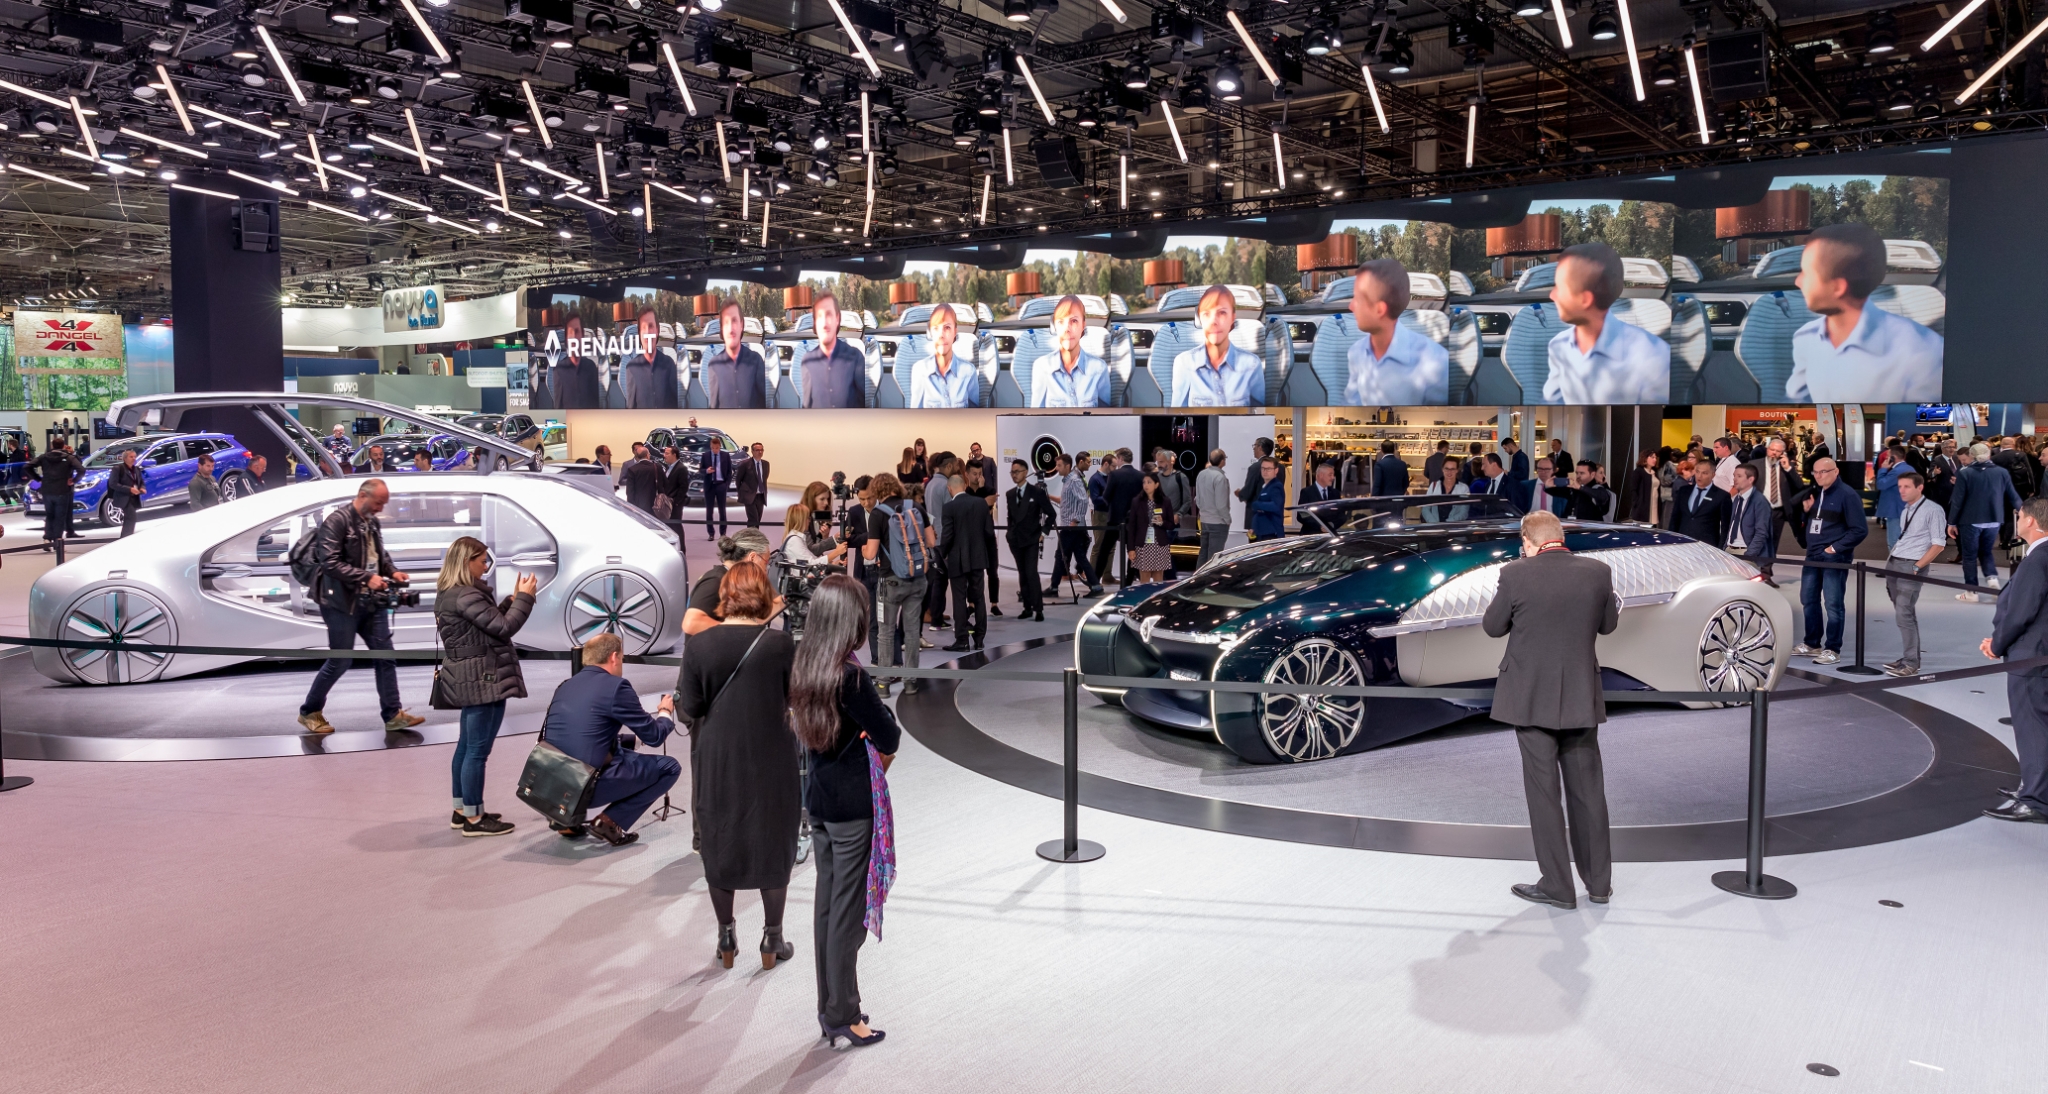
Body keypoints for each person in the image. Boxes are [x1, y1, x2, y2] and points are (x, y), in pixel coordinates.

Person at [1482, 509, 1618, 910]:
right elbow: (1608, 626)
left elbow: (1493, 626)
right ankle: (1599, 884)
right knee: (1588, 792)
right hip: (1580, 695)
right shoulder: (1598, 572)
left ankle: (1558, 886)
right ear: (1560, 536)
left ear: (1528, 541)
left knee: (1544, 794)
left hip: (1530, 698)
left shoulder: (1515, 573)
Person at [788, 575, 898, 1048]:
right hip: (853, 805)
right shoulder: (850, 677)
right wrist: (869, 733)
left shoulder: (804, 665)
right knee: (847, 914)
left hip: (818, 799)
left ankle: (828, 1006)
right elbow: (890, 735)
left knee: (827, 907)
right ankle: (843, 1013)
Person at [676, 562, 801, 964]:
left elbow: (691, 706)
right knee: (774, 836)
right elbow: (795, 698)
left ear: (725, 595)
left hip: (718, 756)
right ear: (763, 595)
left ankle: (726, 938)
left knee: (720, 834)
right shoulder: (781, 644)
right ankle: (772, 939)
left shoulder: (700, 645)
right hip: (772, 752)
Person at [298, 479, 424, 734]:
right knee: (340, 661)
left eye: (384, 503)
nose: (381, 508)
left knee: (385, 656)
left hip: (371, 601)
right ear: (363, 496)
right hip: (340, 603)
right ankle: (309, 711)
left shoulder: (372, 522)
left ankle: (393, 715)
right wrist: (367, 578)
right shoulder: (337, 521)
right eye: (378, 502)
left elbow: (379, 555)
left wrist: (392, 571)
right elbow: (330, 563)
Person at [434, 536, 537, 836]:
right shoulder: (468, 595)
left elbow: (486, 624)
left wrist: (512, 600)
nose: (485, 567)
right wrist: (525, 599)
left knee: (466, 747)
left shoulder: (451, 593)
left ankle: (462, 810)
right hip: (483, 678)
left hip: (468, 676)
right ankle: (475, 819)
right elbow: (504, 628)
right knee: (477, 751)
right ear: (467, 562)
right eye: (482, 561)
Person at [539, 632, 679, 848]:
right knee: (669, 767)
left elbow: (584, 735)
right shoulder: (616, 687)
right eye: (622, 657)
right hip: (584, 786)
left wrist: (633, 741)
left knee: (623, 755)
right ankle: (609, 823)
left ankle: (567, 821)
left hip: (549, 785)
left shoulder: (566, 685)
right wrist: (665, 713)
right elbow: (655, 736)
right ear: (614, 657)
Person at [1787, 222, 1943, 402]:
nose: (1798, 281)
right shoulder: (1805, 338)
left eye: (1805, 273)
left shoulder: (1924, 353)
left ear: (1838, 287)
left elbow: (1928, 418)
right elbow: (1795, 404)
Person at [1981, 496, 2048, 822]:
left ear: (2031, 521)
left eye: (2019, 516)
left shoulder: (2037, 560)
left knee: (2032, 729)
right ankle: (2034, 788)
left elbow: (2021, 612)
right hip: (2039, 654)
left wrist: (1997, 644)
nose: (2017, 520)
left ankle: (2036, 801)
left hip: (2032, 657)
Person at [1543, 241, 1671, 404]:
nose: (1552, 295)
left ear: (1585, 299)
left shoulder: (1654, 358)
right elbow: (1552, 401)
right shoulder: (1557, 346)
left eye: (1559, 288)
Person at [1792, 458, 1868, 665]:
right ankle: (1812, 643)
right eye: (1815, 472)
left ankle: (1833, 649)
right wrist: (1806, 512)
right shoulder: (1816, 493)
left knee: (1833, 604)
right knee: (1808, 599)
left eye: (1823, 472)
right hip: (1812, 555)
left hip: (1834, 557)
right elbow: (1809, 523)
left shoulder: (1847, 495)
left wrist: (1834, 548)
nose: (1819, 476)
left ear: (1836, 471)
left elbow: (1859, 530)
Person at [1342, 258, 1449, 405]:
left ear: (1379, 310)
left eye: (1357, 299)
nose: (1351, 306)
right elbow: (1352, 404)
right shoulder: (1356, 353)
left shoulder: (1436, 361)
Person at [864, 473, 934, 697]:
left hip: (890, 581)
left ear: (877, 491)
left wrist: (863, 548)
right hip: (917, 578)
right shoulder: (916, 507)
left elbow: (871, 553)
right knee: (912, 633)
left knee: (885, 633)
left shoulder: (878, 514)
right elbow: (932, 541)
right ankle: (910, 682)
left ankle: (883, 684)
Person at [1882, 472, 1948, 677]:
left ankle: (1911, 662)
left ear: (1920, 487)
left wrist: (1918, 566)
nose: (1901, 490)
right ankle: (1909, 658)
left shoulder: (1933, 510)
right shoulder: (1906, 509)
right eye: (1900, 486)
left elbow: (1939, 544)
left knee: (1904, 613)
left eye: (1906, 487)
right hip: (1895, 562)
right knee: (1904, 612)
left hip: (1911, 565)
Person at [1949, 443, 2024, 603]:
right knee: (1986, 552)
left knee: (1969, 556)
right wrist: (2024, 513)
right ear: (1989, 455)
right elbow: (2013, 496)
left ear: (1971, 456)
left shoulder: (1965, 473)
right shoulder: (2001, 472)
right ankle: (1992, 581)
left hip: (1971, 520)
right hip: (1994, 519)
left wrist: (1952, 522)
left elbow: (1957, 500)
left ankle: (1971, 592)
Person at [1171, 285, 1266, 407]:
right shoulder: (1184, 363)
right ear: (1200, 319)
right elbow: (1178, 414)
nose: (1213, 322)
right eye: (1206, 314)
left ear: (1233, 318)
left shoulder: (1252, 364)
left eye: (1222, 313)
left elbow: (1259, 414)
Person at [938, 474, 993, 651]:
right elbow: (989, 533)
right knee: (979, 597)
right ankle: (980, 638)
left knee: (959, 598)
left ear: (949, 488)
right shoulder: (981, 503)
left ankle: (962, 640)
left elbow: (947, 535)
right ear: (965, 485)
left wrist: (941, 554)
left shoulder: (949, 507)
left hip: (957, 559)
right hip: (978, 557)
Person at [1029, 294, 1112, 407]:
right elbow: (1036, 415)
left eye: (1074, 321)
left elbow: (1106, 414)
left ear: (1083, 325)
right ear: (1055, 327)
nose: (1067, 329)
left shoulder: (1099, 368)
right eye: (1061, 322)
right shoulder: (1041, 367)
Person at [686, 529, 772, 637]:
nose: (765, 569)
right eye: (766, 562)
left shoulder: (732, 580)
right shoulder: (715, 581)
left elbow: (750, 623)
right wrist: (740, 631)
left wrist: (783, 600)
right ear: (753, 557)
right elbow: (691, 623)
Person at [1006, 459, 1055, 623]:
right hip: (1016, 540)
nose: (1014, 475)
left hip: (1032, 539)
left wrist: (1044, 532)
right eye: (1012, 472)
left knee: (1031, 573)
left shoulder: (1036, 492)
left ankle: (1038, 608)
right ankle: (1027, 607)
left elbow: (1051, 514)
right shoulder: (1010, 494)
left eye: (1017, 471)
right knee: (1022, 573)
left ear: (1025, 472)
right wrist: (1009, 534)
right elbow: (1010, 518)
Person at [1048, 453, 1103, 596]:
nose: (1057, 468)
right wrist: (1048, 496)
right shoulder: (1069, 481)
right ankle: (1095, 586)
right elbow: (1066, 501)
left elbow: (1083, 501)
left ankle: (1054, 587)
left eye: (1059, 465)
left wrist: (1075, 521)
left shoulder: (1073, 480)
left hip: (1071, 527)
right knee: (1077, 556)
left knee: (1061, 555)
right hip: (1070, 526)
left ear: (1067, 466)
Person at [801, 293, 868, 408]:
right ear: (815, 322)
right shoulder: (807, 361)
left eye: (829, 315)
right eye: (819, 316)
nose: (824, 323)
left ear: (837, 319)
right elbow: (806, 407)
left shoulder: (856, 357)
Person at [906, 304, 979, 408]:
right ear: (931, 333)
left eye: (947, 328)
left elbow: (976, 414)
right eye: (936, 328)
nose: (941, 335)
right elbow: (915, 414)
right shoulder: (919, 370)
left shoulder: (969, 371)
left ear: (955, 332)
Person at [702, 299, 769, 408]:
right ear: (722, 328)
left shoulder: (756, 361)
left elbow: (765, 405)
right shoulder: (714, 366)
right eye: (726, 322)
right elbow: (713, 408)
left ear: (741, 325)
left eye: (734, 321)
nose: (730, 329)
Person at [1095, 447, 1144, 586]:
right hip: (1134, 520)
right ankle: (1128, 583)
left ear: (1121, 458)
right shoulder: (1141, 476)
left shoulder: (1115, 475)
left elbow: (1106, 496)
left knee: (1104, 550)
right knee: (1132, 552)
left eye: (1117, 458)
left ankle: (1095, 582)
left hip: (1115, 519)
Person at [1724, 464, 1777, 584]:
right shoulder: (1737, 499)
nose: (1735, 479)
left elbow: (1761, 532)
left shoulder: (1759, 501)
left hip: (1745, 552)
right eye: (1734, 476)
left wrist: (1749, 555)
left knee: (1741, 587)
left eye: (1739, 476)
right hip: (1729, 550)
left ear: (1750, 479)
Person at [619, 305, 680, 409]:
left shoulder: (669, 364)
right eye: (643, 327)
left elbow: (676, 406)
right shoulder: (631, 368)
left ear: (657, 331)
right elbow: (631, 408)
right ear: (639, 333)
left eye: (651, 326)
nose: (647, 332)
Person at [1125, 471, 1176, 584]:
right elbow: (1132, 526)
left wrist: (1162, 522)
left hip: (1159, 544)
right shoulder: (1137, 501)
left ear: (1156, 484)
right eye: (1144, 482)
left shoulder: (1165, 501)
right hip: (1143, 545)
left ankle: (1157, 595)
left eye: (1149, 482)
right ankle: (1144, 595)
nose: (1146, 485)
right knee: (1144, 577)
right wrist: (1131, 548)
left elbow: (1171, 525)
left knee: (1158, 578)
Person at [31, 440, 84, 546]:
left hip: (47, 490)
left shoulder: (44, 457)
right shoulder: (69, 457)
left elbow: (27, 466)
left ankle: (47, 538)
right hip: (62, 490)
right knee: (60, 516)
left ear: (52, 445)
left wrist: (38, 479)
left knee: (50, 515)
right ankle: (57, 540)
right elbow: (81, 469)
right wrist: (73, 480)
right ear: (63, 446)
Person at [1668, 459, 1731, 545]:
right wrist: (1671, 540)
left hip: (1707, 545)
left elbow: (1725, 526)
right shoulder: (1684, 491)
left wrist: (1721, 548)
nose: (1699, 476)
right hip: (1682, 542)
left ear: (1713, 475)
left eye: (1704, 473)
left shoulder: (1721, 496)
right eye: (1697, 472)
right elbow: (1675, 518)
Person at [550, 314, 605, 409]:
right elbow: (557, 407)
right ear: (566, 338)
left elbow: (596, 405)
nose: (574, 337)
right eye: (571, 332)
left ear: (582, 335)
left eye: (577, 331)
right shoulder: (559, 370)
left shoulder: (591, 367)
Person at [1194, 448, 1233, 568]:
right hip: (1218, 522)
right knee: (1214, 556)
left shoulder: (1201, 474)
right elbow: (1221, 505)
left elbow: (1197, 499)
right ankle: (1210, 578)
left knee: (1203, 552)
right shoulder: (1220, 477)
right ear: (1222, 461)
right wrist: (1227, 520)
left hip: (1204, 520)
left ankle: (1198, 577)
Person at [781, 502, 848, 568]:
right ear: (801, 520)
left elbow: (812, 559)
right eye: (808, 518)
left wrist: (834, 564)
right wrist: (836, 552)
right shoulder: (794, 540)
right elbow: (810, 564)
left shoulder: (797, 539)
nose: (809, 521)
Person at [1873, 445, 1907, 551]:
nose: (1886, 458)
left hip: (1895, 509)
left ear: (1893, 457)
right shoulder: (1908, 468)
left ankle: (1895, 561)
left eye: (1887, 456)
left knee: (1894, 542)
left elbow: (1881, 484)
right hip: (1903, 507)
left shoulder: (1897, 471)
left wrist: (1883, 469)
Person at [700, 434, 733, 541]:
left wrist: (726, 484)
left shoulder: (725, 456)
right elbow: (701, 470)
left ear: (720, 447)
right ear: (710, 446)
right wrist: (707, 471)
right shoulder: (705, 456)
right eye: (713, 448)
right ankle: (711, 533)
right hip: (709, 485)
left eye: (717, 448)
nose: (715, 450)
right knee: (709, 511)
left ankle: (723, 533)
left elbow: (729, 471)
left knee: (722, 510)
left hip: (721, 485)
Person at [110, 447, 145, 537]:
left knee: (129, 518)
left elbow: (141, 481)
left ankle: (125, 537)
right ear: (125, 458)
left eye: (134, 457)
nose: (134, 458)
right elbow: (113, 484)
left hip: (134, 497)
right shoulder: (118, 468)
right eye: (131, 457)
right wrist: (129, 489)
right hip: (123, 497)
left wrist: (142, 488)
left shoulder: (136, 469)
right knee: (131, 517)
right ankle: (126, 537)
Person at [734, 441, 770, 529]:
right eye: (757, 450)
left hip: (760, 496)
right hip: (749, 496)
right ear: (752, 451)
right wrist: (742, 492)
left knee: (758, 519)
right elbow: (738, 479)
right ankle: (750, 535)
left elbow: (764, 478)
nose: (760, 452)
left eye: (761, 450)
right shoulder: (745, 464)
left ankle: (755, 535)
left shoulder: (766, 464)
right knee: (753, 519)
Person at [1249, 456, 1286, 540]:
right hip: (1262, 532)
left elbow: (1276, 506)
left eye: (1268, 469)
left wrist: (1257, 505)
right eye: (1263, 468)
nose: (1265, 471)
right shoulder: (1265, 486)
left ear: (1276, 470)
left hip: (1271, 533)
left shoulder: (1276, 486)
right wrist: (1254, 527)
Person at [1422, 457, 1469, 522]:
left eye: (1452, 469)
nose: (1449, 472)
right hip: (1434, 526)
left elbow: (1463, 512)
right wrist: (1434, 524)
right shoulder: (1433, 486)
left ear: (1457, 470)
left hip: (1453, 527)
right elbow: (1425, 509)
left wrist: (1447, 523)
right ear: (1442, 469)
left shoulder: (1464, 488)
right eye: (1446, 469)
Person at [621, 443, 664, 515]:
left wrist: (631, 506)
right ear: (647, 455)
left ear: (637, 456)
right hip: (655, 504)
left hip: (638, 504)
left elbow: (630, 491)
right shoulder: (657, 467)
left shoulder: (632, 469)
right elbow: (663, 486)